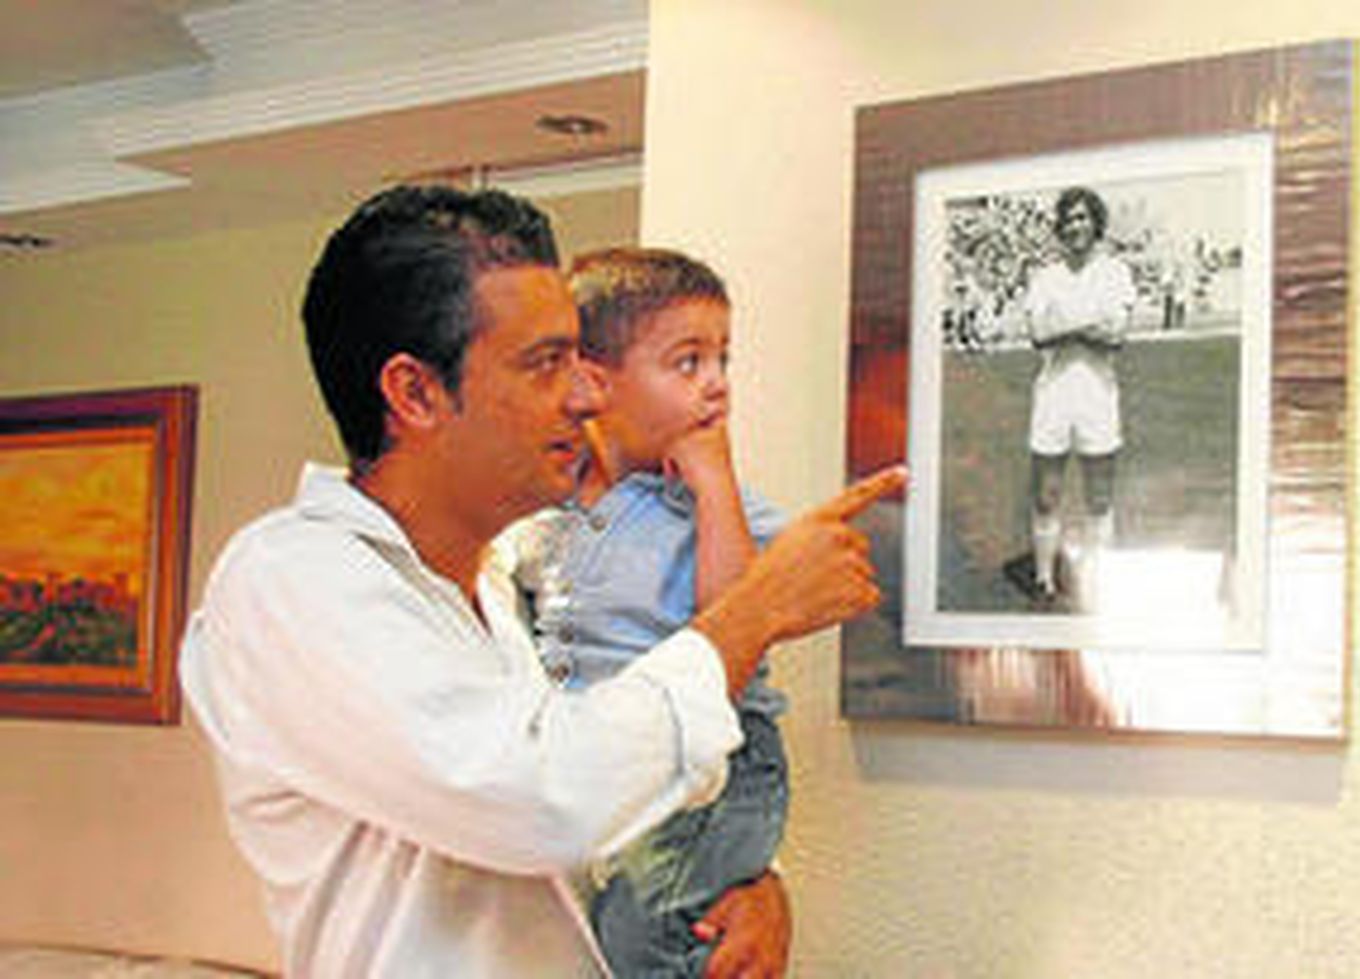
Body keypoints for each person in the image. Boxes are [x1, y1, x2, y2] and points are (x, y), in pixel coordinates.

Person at [179, 185, 904, 978]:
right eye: (548, 362)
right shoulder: (292, 579)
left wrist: (740, 883)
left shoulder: (497, 584)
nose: (590, 394)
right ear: (415, 393)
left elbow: (595, 792)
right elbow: (542, 799)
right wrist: (754, 612)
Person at [501, 247, 789, 977]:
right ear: (595, 381)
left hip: (717, 764)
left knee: (641, 930)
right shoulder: (544, 510)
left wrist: (714, 484)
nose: (718, 383)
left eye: (724, 358)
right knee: (618, 924)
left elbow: (739, 623)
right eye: (688, 362)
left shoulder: (719, 510)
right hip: (604, 770)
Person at [1021, 186, 1136, 611]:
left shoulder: (1116, 273)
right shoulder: (1044, 277)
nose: (1076, 227)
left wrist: (1066, 325)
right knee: (1046, 494)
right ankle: (1044, 579)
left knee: (1099, 495)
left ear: (1096, 224)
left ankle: (1097, 579)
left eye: (1084, 218)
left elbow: (1117, 337)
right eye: (1069, 219)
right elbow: (1038, 335)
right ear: (1060, 227)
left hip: (1098, 396)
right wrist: (1089, 326)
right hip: (1053, 397)